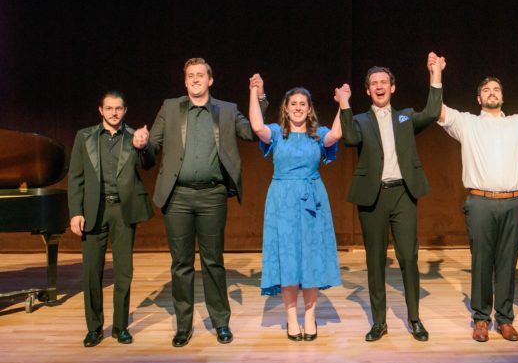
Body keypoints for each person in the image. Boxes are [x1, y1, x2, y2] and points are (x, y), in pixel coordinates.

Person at [134, 58, 268, 347]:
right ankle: (183, 326)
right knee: (181, 263)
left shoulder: (228, 110)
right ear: (185, 82)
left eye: (200, 75)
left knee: (212, 261)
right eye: (190, 75)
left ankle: (221, 323)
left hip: (212, 195)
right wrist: (142, 144)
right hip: (178, 196)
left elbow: (252, 133)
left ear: (210, 80)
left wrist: (260, 98)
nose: (195, 79)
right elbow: (152, 149)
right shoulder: (170, 108)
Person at [437, 53, 518, 342]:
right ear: (479, 98)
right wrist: (436, 73)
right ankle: (481, 318)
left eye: (496, 89)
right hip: (480, 202)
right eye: (486, 90)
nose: (492, 93)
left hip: (514, 201)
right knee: (482, 262)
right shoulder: (467, 123)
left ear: (503, 97)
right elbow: (438, 110)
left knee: (508, 262)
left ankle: (505, 319)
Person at [338, 52, 444, 342]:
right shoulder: (359, 119)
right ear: (368, 90)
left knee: (408, 256)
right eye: (374, 83)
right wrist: (344, 104)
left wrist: (435, 74)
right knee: (374, 261)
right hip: (373, 198)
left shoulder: (405, 116)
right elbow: (349, 139)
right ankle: (379, 322)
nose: (380, 86)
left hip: (403, 194)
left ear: (392, 87)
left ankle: (414, 319)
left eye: (384, 82)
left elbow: (433, 113)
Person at [247, 75, 343, 341]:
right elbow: (256, 126)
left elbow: (337, 134)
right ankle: (291, 318)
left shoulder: (317, 134)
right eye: (294, 104)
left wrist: (343, 103)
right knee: (288, 258)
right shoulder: (277, 133)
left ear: (309, 109)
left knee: (310, 259)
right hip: (282, 200)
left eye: (303, 104)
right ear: (286, 108)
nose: (299, 107)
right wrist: (255, 92)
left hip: (313, 200)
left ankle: (310, 317)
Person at [68, 91, 155, 347]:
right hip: (94, 211)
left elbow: (148, 163)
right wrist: (75, 211)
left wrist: (144, 145)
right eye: (109, 108)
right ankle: (94, 328)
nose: (113, 113)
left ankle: (120, 327)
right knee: (92, 272)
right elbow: (75, 177)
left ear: (125, 110)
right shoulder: (84, 137)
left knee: (123, 271)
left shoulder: (133, 136)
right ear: (100, 110)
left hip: (122, 211)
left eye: (118, 108)